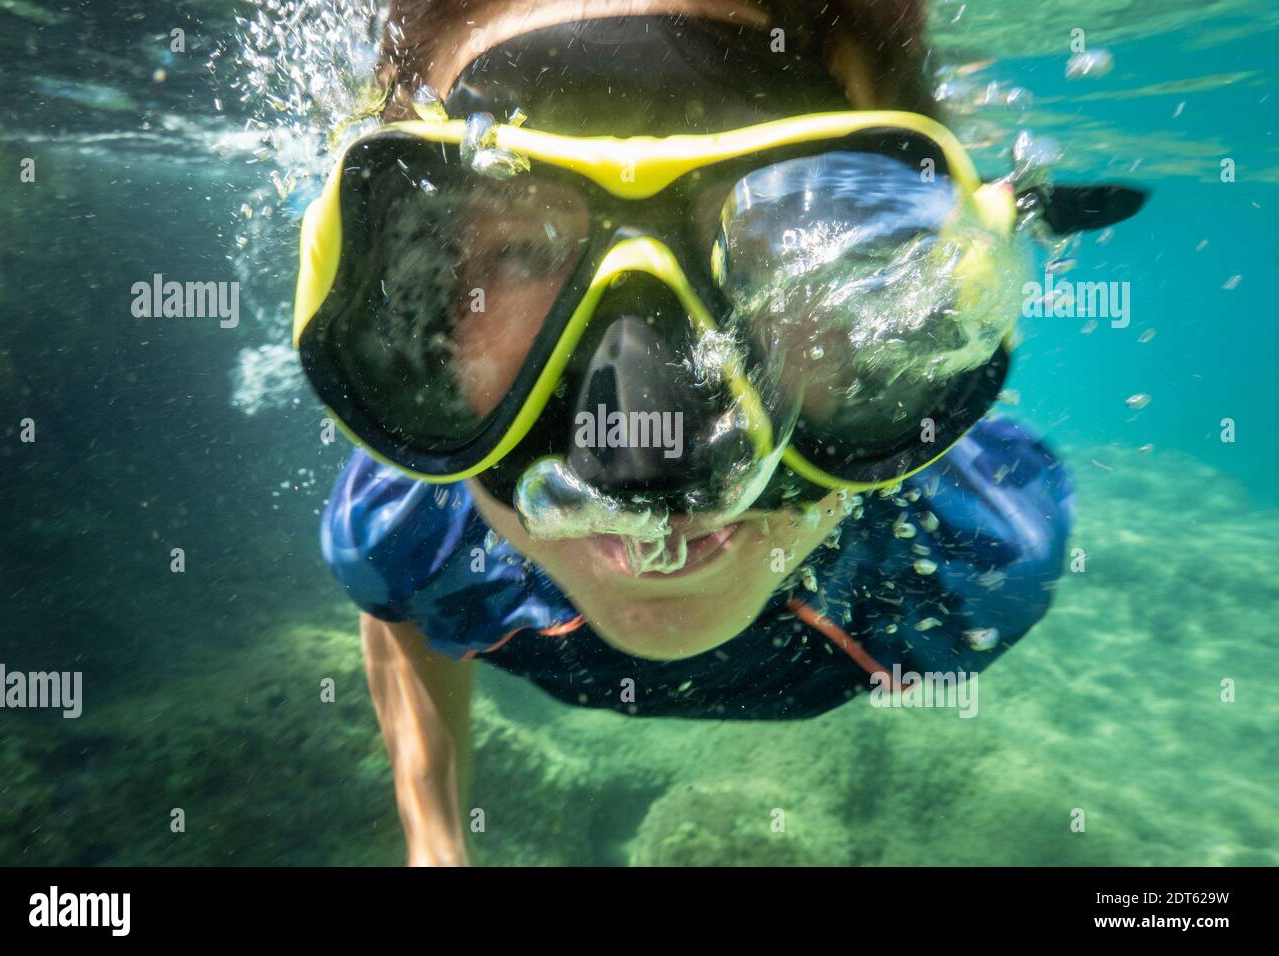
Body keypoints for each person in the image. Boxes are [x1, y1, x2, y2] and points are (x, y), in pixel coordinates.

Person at [291, 0, 1143, 865]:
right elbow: (391, 603)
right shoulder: (413, 526)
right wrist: (435, 842)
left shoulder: (972, 560)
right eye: (516, 250)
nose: (647, 456)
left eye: (794, 239)